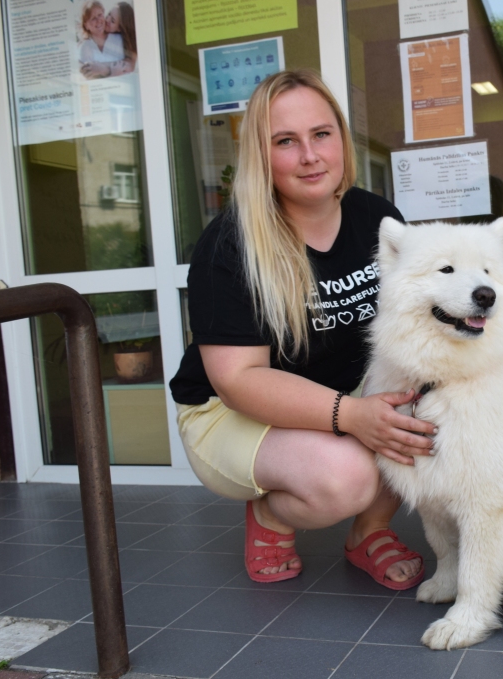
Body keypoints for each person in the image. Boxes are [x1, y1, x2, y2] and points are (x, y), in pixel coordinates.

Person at [168, 70, 434, 589]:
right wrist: (353, 416)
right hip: (229, 411)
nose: (309, 155)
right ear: (260, 157)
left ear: (341, 138)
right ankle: (272, 517)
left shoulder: (376, 217)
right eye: (285, 142)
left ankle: (368, 533)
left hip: (342, 391)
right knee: (345, 477)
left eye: (321, 134)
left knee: (431, 411)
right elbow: (238, 380)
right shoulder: (229, 245)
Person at [81, 2, 137, 79]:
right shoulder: (86, 45)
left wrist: (104, 69)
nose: (107, 20)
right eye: (109, 14)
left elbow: (130, 65)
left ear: (119, 28)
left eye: (113, 21)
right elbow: (87, 72)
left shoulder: (120, 40)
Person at [77, 0, 124, 71]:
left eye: (100, 15)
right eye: (93, 18)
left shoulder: (118, 38)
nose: (98, 20)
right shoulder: (85, 47)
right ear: (86, 25)